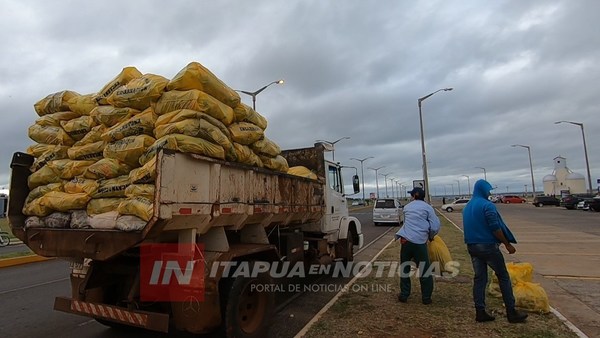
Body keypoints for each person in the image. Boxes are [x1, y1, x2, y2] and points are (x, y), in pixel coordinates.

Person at [463, 179, 528, 323]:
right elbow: (495, 227)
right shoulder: (487, 205)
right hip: (487, 246)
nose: (489, 192)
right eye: (488, 190)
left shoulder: (467, 206)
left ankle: (480, 312)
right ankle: (511, 312)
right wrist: (507, 244)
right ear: (483, 190)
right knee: (503, 276)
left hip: (472, 246)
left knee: (480, 279)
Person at [395, 187, 441, 304]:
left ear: (415, 195)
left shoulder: (407, 207)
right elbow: (435, 226)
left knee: (405, 269)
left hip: (406, 242)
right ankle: (426, 297)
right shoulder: (428, 208)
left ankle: (404, 294)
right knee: (425, 270)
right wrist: (430, 236)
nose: (410, 196)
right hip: (420, 243)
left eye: (411, 194)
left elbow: (406, 224)